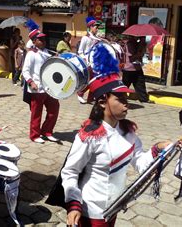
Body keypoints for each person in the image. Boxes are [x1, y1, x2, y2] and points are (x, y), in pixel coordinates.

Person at [60, 71, 173, 226]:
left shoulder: (129, 132)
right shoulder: (90, 136)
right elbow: (70, 171)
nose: (126, 103)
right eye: (120, 99)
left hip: (115, 206)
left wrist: (157, 150)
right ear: (102, 102)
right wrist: (73, 204)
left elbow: (141, 163)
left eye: (126, 98)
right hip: (90, 211)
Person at [22, 20, 60, 143]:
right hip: (37, 87)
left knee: (54, 110)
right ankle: (35, 135)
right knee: (36, 113)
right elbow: (25, 71)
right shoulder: (31, 54)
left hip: (49, 87)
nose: (43, 41)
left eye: (44, 39)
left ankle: (47, 131)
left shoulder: (47, 53)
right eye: (40, 39)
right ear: (34, 41)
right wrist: (31, 82)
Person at [77, 17, 102, 104]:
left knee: (96, 80)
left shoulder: (97, 38)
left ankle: (91, 98)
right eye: (96, 27)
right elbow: (80, 51)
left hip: (96, 63)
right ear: (90, 27)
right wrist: (85, 60)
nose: (97, 29)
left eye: (97, 27)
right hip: (88, 63)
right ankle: (80, 94)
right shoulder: (85, 38)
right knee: (91, 80)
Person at [122, 37, 151, 103]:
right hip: (129, 68)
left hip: (137, 67)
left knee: (140, 83)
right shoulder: (129, 44)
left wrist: (142, 44)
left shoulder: (136, 43)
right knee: (125, 84)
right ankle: (120, 97)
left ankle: (143, 98)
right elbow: (131, 57)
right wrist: (139, 54)